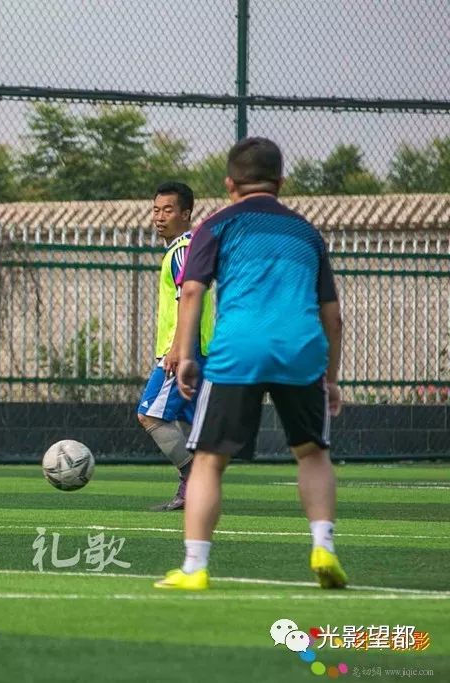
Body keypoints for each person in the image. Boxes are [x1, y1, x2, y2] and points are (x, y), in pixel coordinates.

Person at [154, 137, 346, 591]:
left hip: (238, 350)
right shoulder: (306, 232)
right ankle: (324, 547)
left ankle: (195, 567)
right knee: (312, 453)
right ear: (281, 181)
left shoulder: (216, 226)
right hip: (301, 350)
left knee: (208, 460)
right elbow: (333, 315)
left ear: (229, 183)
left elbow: (194, 291)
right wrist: (332, 378)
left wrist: (184, 353)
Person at [136, 181, 214, 511]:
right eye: (155, 209)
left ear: (186, 213)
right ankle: (198, 486)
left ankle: (192, 481)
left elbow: (188, 298)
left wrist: (177, 350)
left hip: (184, 351)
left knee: (149, 415)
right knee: (197, 427)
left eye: (168, 210)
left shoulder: (183, 248)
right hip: (193, 350)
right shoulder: (183, 248)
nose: (159, 216)